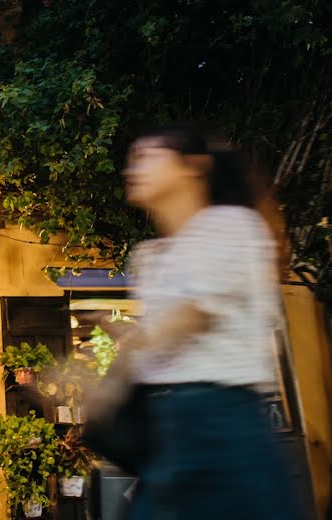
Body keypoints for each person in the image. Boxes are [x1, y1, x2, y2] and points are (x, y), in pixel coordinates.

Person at [110, 125, 301, 518]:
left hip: (223, 417)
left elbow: (190, 315)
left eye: (147, 156)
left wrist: (134, 346)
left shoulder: (231, 225)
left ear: (191, 167)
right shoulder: (150, 255)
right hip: (171, 423)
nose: (133, 169)